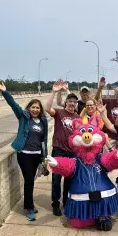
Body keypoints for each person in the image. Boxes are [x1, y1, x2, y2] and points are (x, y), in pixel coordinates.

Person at [0, 81, 48, 221]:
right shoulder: (24, 117)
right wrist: (4, 92)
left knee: (32, 181)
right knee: (29, 180)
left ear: (40, 110)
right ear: (29, 108)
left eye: (38, 108)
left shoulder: (43, 121)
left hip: (37, 155)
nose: (35, 109)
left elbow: (45, 139)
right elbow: (14, 105)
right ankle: (29, 208)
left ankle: (29, 204)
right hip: (24, 155)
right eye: (33, 107)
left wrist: (45, 156)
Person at [45, 80, 81, 216]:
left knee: (69, 179)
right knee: (56, 179)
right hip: (59, 149)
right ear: (66, 103)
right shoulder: (60, 113)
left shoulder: (77, 117)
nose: (72, 103)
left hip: (72, 152)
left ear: (76, 104)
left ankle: (66, 202)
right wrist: (54, 91)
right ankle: (55, 203)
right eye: (70, 101)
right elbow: (47, 108)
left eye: (74, 102)